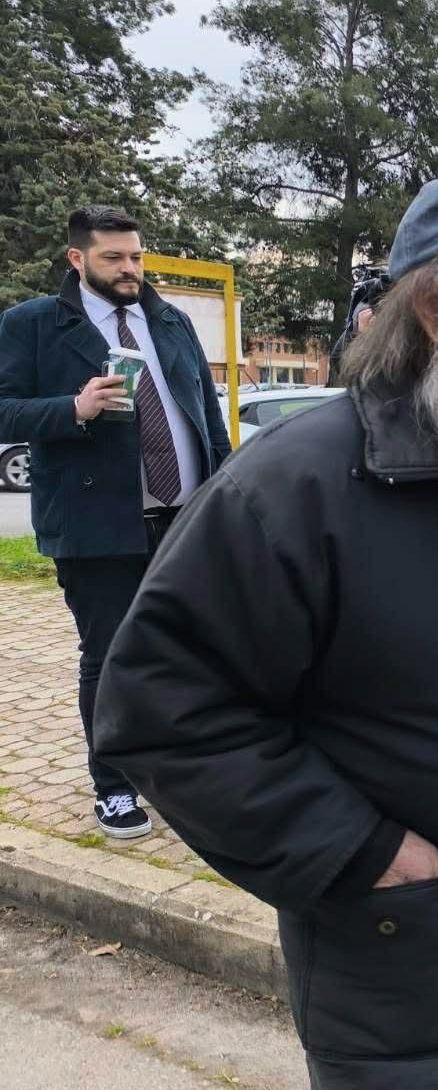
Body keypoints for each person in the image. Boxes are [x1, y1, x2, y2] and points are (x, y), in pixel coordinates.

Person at [93, 174, 438, 1089]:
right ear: (437, 305)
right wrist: (357, 851)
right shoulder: (290, 491)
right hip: (405, 978)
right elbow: (161, 711)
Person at [0, 205, 231, 840]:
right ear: (78, 259)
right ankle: (114, 785)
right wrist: (72, 408)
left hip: (185, 518)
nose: (130, 269)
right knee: (110, 658)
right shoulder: (32, 325)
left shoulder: (170, 320)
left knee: (190, 652)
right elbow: (3, 409)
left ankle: (179, 768)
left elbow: (205, 414)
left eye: (135, 257)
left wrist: (228, 489)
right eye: (114, 258)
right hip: (96, 524)